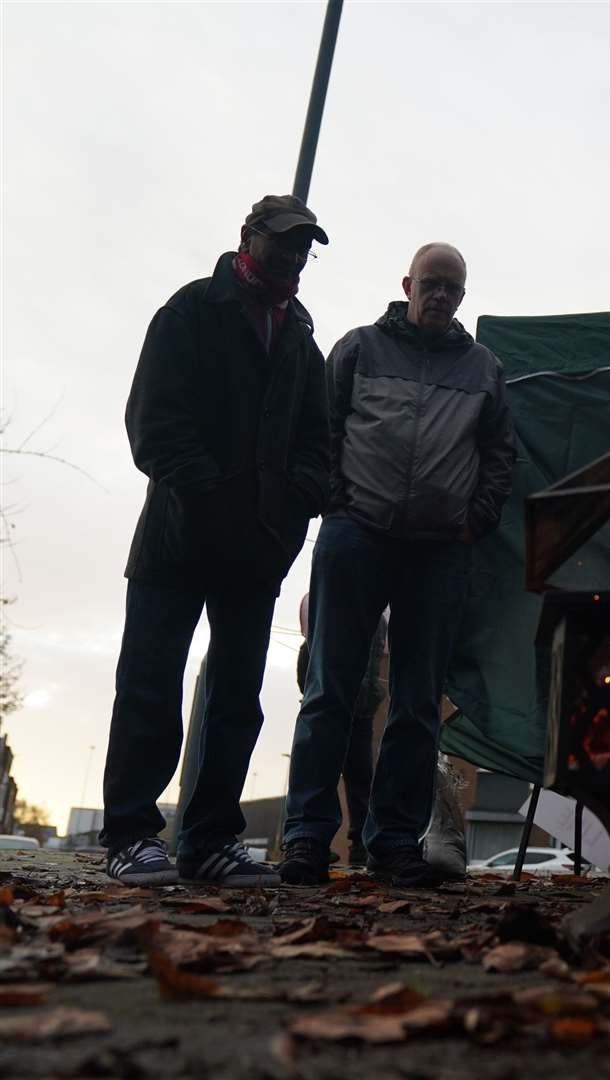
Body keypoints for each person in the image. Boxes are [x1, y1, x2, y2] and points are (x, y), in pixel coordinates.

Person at [102, 195, 330, 886]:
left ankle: (208, 840)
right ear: (247, 239)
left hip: (256, 551)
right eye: (282, 242)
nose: (292, 256)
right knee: (150, 682)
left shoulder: (300, 338)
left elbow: (317, 445)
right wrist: (211, 495)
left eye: (303, 247)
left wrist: (289, 511)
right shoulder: (191, 310)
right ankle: (131, 835)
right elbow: (153, 423)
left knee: (236, 697)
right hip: (176, 541)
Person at [279, 243, 515, 888]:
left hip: (440, 551)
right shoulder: (357, 349)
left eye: (452, 289)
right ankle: (305, 838)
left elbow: (499, 455)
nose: (440, 296)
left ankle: (393, 843)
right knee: (329, 689)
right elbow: (321, 429)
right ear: (408, 284)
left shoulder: (483, 368)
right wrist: (336, 505)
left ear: (463, 297)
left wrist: (476, 519)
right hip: (357, 536)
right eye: (432, 284)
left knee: (416, 704)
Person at [295, 594, 387, 866]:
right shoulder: (379, 619)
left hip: (343, 705)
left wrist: (310, 694)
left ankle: (314, 837)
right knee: (358, 777)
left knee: (326, 769)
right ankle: (355, 840)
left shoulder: (324, 605)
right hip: (357, 707)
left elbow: (308, 654)